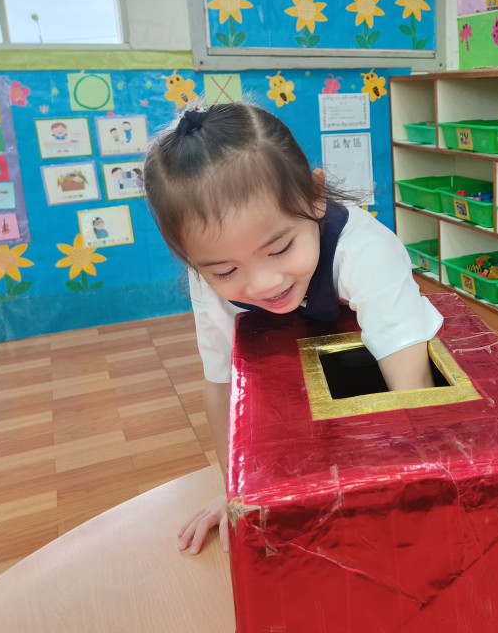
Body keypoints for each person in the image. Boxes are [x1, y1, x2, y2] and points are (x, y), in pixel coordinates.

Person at [143, 102, 443, 555]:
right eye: (225, 271)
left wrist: (412, 486)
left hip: (364, 363)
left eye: (280, 248)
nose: (263, 283)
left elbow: (411, 383)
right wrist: (235, 491)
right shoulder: (207, 281)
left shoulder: (366, 252)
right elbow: (221, 384)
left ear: (315, 197)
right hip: (293, 376)